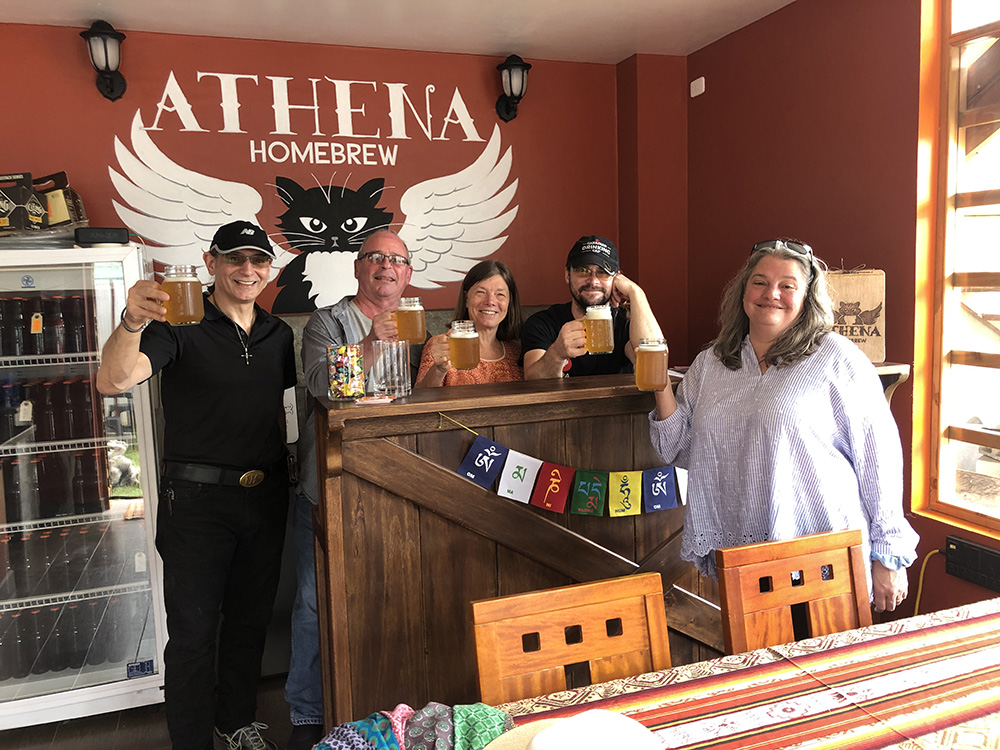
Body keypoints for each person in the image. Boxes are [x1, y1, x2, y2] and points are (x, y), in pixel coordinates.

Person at [95, 221, 295, 750]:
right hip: (198, 502)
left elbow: (290, 411)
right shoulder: (176, 323)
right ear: (210, 263)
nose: (247, 270)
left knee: (250, 623)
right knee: (192, 635)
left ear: (269, 269)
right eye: (235, 259)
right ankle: (190, 740)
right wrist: (131, 320)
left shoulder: (279, 333)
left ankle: (235, 723)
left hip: (267, 494)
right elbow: (113, 380)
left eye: (258, 260)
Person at [647, 239, 918, 613]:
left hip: (824, 559)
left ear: (806, 298)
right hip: (743, 558)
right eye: (759, 282)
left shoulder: (836, 357)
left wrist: (889, 556)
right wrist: (659, 381)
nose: (771, 293)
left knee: (829, 670)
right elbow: (675, 448)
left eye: (787, 285)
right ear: (743, 292)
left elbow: (879, 459)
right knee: (757, 668)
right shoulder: (711, 363)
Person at [289, 229, 418, 750]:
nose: (386, 267)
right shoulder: (326, 321)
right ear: (358, 267)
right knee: (313, 603)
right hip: (328, 488)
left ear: (408, 274)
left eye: (397, 260)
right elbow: (322, 384)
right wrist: (367, 344)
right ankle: (305, 714)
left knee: (383, 597)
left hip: (388, 486)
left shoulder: (416, 323)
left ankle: (377, 705)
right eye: (376, 258)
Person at [521, 235, 661, 379]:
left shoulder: (626, 322)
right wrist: (556, 354)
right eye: (583, 270)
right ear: (567, 275)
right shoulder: (542, 323)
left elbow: (653, 368)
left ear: (617, 278)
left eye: (603, 272)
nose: (593, 281)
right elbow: (532, 381)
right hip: (565, 403)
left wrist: (635, 292)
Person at [415, 260, 523, 387]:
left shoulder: (517, 352)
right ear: (466, 299)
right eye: (481, 292)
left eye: (500, 294)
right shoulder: (442, 346)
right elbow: (421, 399)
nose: (490, 301)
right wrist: (439, 369)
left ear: (509, 303)